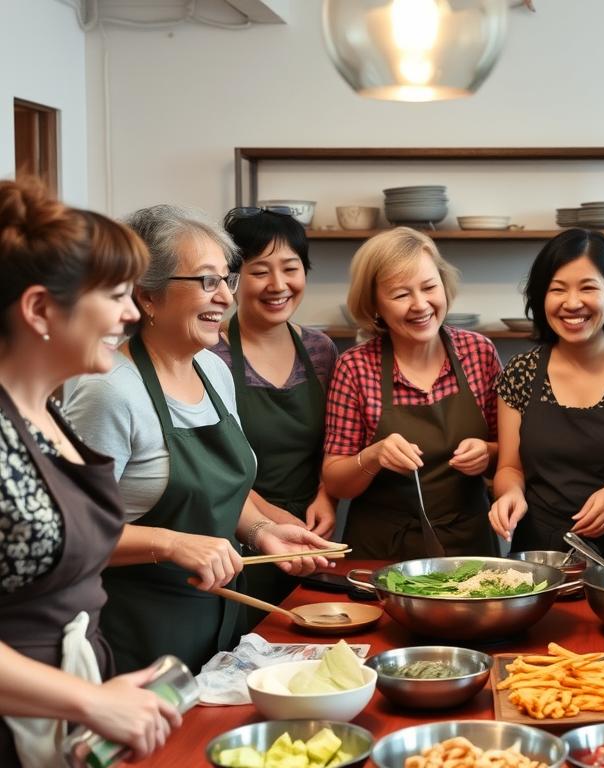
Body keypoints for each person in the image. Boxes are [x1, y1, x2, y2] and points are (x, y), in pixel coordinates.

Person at [65, 204, 333, 675]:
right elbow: (72, 535)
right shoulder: (110, 391)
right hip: (139, 638)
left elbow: (221, 491)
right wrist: (170, 543)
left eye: (227, 280)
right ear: (148, 296)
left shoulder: (212, 369)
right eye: (207, 282)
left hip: (221, 622)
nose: (226, 298)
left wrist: (262, 531)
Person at [0, 178, 180, 766]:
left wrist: (98, 695)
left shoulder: (46, 411)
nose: (131, 313)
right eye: (117, 295)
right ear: (39, 309)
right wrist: (87, 700)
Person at [322, 227, 501, 558]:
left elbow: (511, 458)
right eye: (401, 294)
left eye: (430, 287)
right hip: (381, 549)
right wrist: (373, 456)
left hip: (470, 547)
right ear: (374, 304)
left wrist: (488, 453)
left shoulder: (478, 353)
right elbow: (335, 480)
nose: (420, 305)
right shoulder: (355, 367)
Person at [488, 229, 604, 558]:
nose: (572, 303)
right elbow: (510, 468)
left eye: (588, 288)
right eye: (558, 290)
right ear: (542, 298)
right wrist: (510, 494)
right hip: (542, 553)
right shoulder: (520, 373)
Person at [212, 207, 339, 623]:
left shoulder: (321, 350)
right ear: (233, 278)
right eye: (260, 271)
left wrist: (326, 494)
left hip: (316, 536)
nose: (278, 285)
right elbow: (212, 464)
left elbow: (337, 440)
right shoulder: (210, 353)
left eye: (291, 268)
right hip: (238, 534)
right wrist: (268, 518)